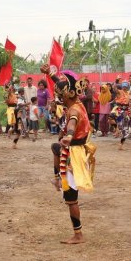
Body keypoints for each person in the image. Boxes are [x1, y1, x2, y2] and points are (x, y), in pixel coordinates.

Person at [42, 66, 95, 244]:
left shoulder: (74, 110)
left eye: (62, 96)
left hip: (74, 154)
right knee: (55, 147)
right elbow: (63, 85)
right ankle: (57, 178)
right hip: (71, 150)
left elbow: (72, 123)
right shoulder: (75, 102)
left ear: (70, 93)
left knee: (71, 199)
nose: (60, 99)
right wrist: (50, 74)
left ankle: (78, 235)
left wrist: (69, 135)